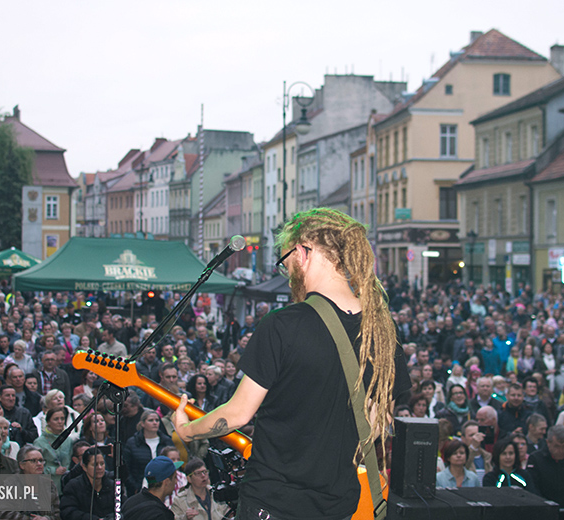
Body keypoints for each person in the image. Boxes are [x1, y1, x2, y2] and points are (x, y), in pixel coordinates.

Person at [173, 208, 411, 519]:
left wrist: (187, 431)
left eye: (285, 262)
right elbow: (379, 420)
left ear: (302, 252)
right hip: (339, 503)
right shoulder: (381, 331)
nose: (287, 273)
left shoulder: (283, 325)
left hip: (273, 502)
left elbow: (238, 413)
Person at [0, 445, 61, 520]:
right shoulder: (11, 484)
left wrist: (46, 518)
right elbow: (5, 514)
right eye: (33, 461)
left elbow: (57, 514)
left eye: (41, 460)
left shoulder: (49, 484)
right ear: (22, 465)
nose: (39, 464)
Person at [125, 410, 174, 496]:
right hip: (139, 490)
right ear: (142, 423)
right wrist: (135, 487)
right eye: (151, 420)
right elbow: (127, 469)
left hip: (163, 488)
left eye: (157, 420)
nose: (155, 423)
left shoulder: (166, 441)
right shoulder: (132, 443)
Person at [60, 448, 115, 520]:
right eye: (95, 464)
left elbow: (123, 508)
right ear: (84, 467)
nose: (99, 467)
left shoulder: (111, 485)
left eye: (102, 464)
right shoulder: (73, 486)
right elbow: (68, 512)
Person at [124, 456, 182, 520]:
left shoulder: (130, 502)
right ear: (166, 482)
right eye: (175, 477)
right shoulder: (161, 515)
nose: (176, 481)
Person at [33, 407, 75, 492]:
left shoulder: (69, 440)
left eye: (62, 419)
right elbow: (35, 466)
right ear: (48, 422)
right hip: (47, 485)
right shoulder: (39, 442)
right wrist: (53, 470)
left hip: (67, 484)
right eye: (56, 419)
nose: (60, 422)